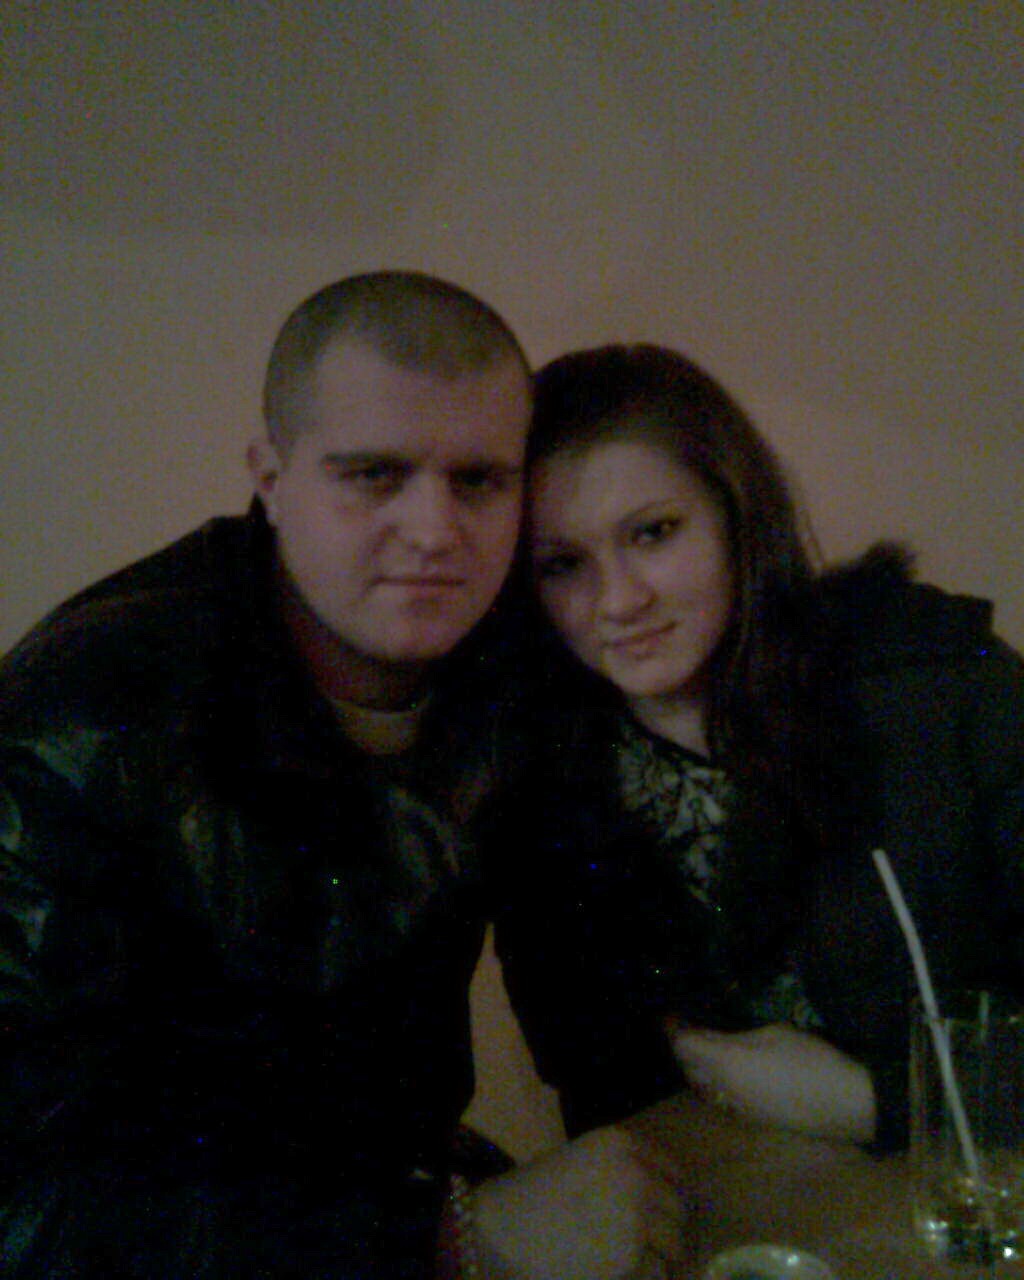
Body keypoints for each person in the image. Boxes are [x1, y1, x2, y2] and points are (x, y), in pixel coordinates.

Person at [0, 278, 685, 1279]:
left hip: (411, 1187)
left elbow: (582, 971)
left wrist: (639, 1159)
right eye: (373, 474)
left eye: (480, 480)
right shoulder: (85, 715)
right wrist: (437, 1238)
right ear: (270, 477)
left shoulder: (510, 660)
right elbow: (26, 1195)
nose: (435, 530)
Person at [493, 342, 1024, 1154]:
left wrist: (873, 1103)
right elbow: (594, 1086)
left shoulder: (936, 686)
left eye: (653, 533)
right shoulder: (546, 788)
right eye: (563, 564)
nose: (619, 600)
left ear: (737, 514)